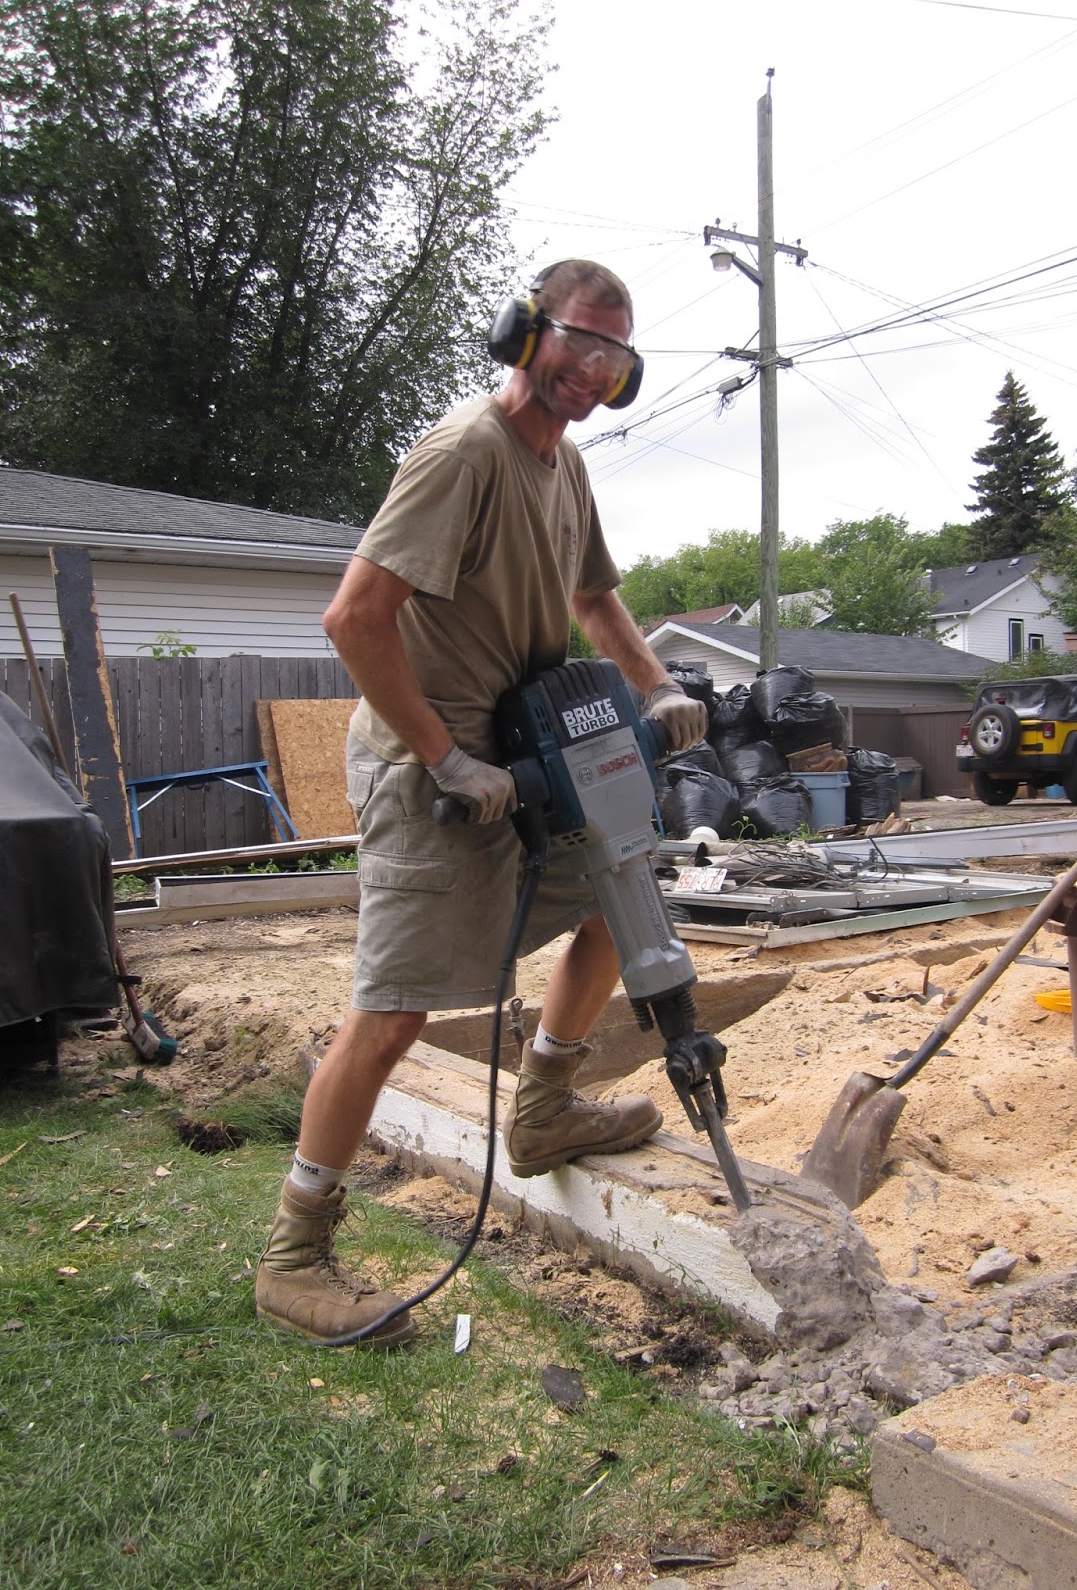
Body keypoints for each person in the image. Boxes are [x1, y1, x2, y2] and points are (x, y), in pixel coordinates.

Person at [255, 259, 708, 1347]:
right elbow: (354, 617)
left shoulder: (567, 466)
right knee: (394, 1015)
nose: (591, 370)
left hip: (529, 753)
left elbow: (594, 595)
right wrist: (446, 759)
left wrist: (657, 686)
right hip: (437, 778)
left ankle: (543, 1108)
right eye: (577, 342)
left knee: (619, 897)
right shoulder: (465, 452)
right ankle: (293, 1254)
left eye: (614, 356)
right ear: (524, 332)